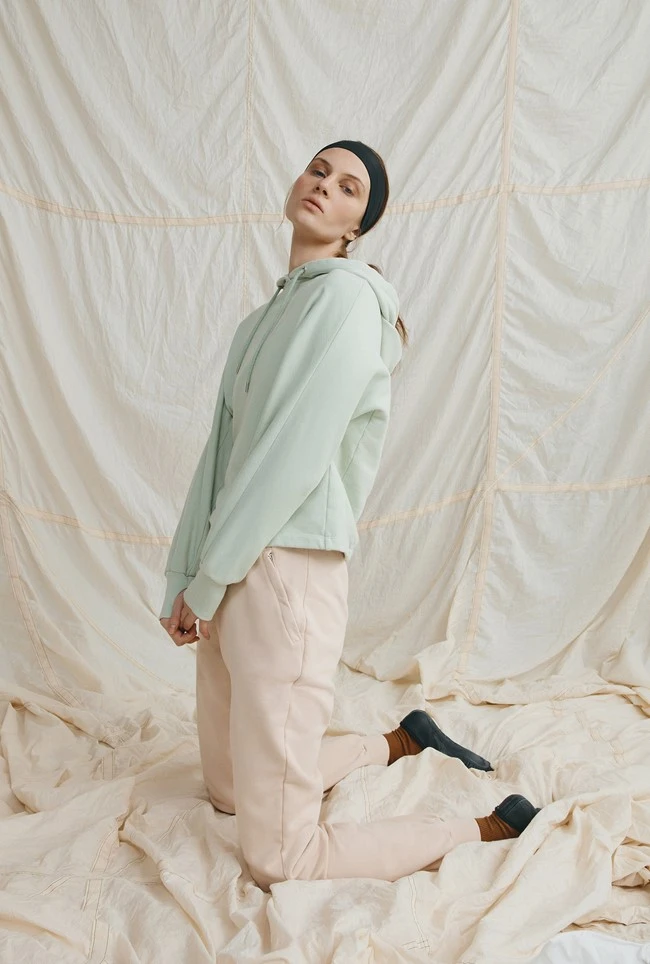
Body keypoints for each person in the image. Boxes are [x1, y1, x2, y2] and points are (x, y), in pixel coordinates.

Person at [159, 140, 541, 891]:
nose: (324, 186)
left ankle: (487, 823)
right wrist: (186, 576)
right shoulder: (262, 318)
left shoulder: (346, 301)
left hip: (285, 572)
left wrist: (210, 582)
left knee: (279, 859)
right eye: (319, 170)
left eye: (348, 187)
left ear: (356, 226)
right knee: (228, 791)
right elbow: (220, 457)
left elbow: (289, 458)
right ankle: (395, 741)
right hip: (229, 562)